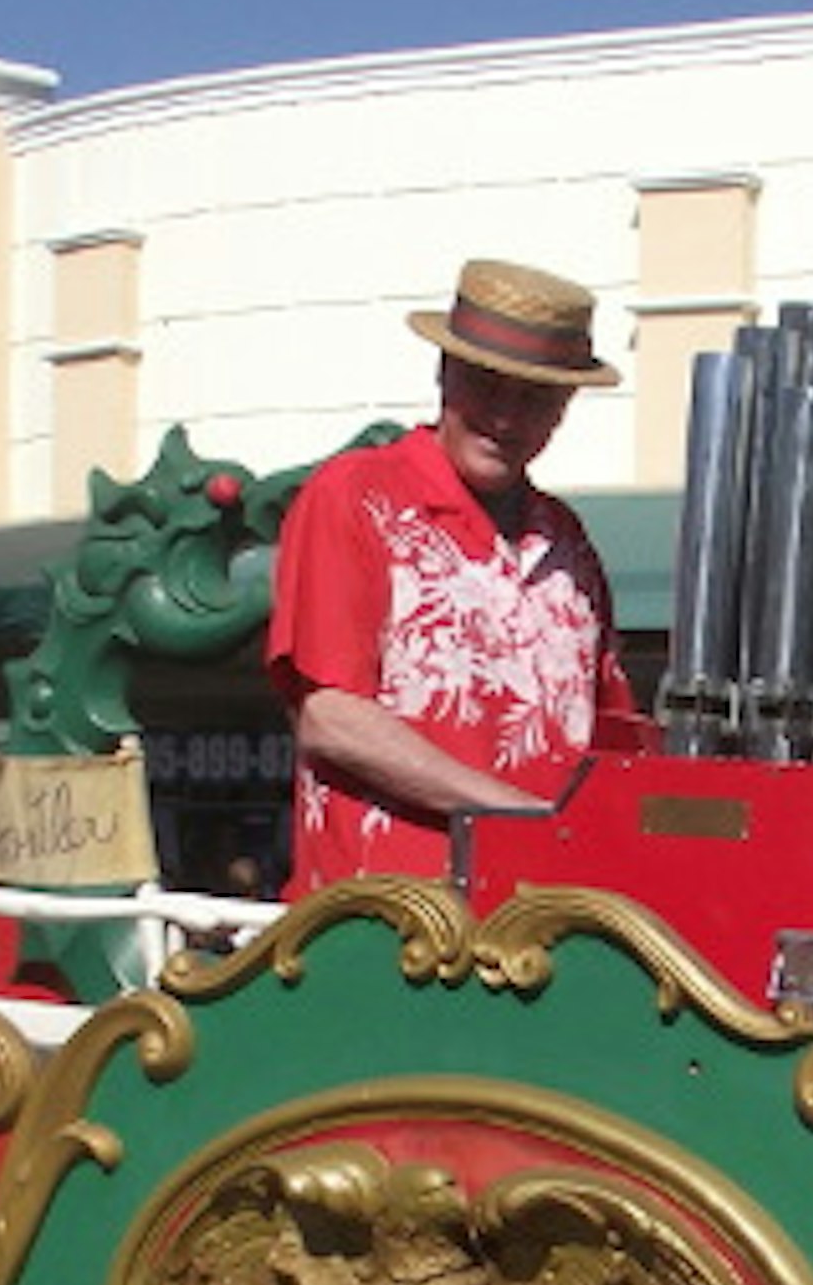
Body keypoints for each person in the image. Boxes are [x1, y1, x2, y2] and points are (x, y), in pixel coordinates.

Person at [265, 258, 641, 890]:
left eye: (536, 397)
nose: (506, 416)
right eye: (488, 387)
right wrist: (525, 819)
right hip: (381, 931)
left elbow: (612, 745)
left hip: (539, 922)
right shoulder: (356, 497)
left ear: (565, 407)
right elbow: (329, 717)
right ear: (445, 375)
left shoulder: (569, 543)